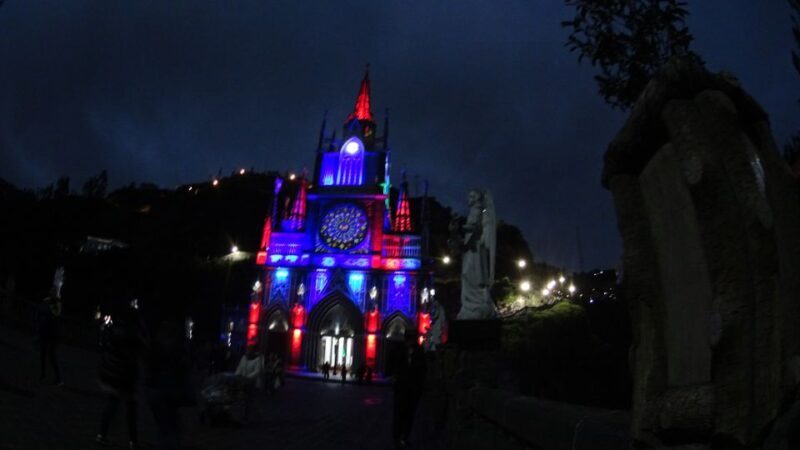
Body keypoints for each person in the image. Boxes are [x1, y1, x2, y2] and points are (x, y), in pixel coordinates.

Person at [96, 302, 145, 448]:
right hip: (126, 375)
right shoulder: (133, 335)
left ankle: (102, 434)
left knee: (113, 404)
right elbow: (139, 352)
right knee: (130, 408)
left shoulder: (115, 330)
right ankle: (133, 440)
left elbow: (106, 348)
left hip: (113, 373)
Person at [144, 319, 192, 450]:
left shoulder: (156, 345)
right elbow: (182, 368)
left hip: (155, 389)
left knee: (164, 426)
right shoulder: (175, 349)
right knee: (171, 426)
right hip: (168, 390)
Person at [391, 333, 427, 449]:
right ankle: (397, 437)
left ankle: (405, 437)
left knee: (410, 415)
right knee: (398, 414)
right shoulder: (400, 350)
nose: (410, 342)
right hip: (401, 388)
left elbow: (423, 369)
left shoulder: (419, 351)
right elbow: (395, 366)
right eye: (409, 340)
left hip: (413, 389)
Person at [35, 288, 62, 385]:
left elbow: (56, 314)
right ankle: (43, 374)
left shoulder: (56, 303)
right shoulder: (47, 301)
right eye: (51, 291)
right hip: (45, 330)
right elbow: (40, 311)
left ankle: (58, 378)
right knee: (43, 353)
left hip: (53, 332)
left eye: (53, 292)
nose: (52, 293)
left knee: (51, 355)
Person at [235, 346, 265, 422]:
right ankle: (242, 414)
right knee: (242, 399)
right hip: (243, 382)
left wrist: (247, 378)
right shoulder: (244, 358)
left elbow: (257, 371)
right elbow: (239, 368)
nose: (247, 352)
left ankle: (250, 416)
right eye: (247, 351)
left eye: (249, 351)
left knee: (250, 400)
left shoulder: (259, 359)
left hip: (253, 383)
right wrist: (236, 376)